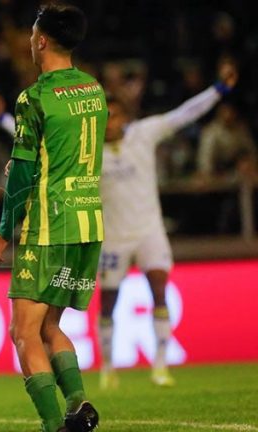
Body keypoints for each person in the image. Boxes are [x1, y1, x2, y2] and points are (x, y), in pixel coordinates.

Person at [0, 4, 106, 432]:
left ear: (41, 40)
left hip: (50, 224)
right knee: (49, 325)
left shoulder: (34, 97)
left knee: (23, 332)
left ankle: (53, 425)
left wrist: (4, 230)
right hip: (88, 221)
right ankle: (77, 403)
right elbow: (62, 153)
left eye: (32, 34)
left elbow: (21, 171)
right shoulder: (93, 89)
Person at [98, 62, 238, 389]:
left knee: (160, 291)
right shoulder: (88, 152)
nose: (109, 123)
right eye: (104, 118)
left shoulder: (144, 133)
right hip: (113, 238)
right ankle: (107, 367)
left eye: (114, 116)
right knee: (108, 303)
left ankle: (160, 366)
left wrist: (218, 90)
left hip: (149, 231)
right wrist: (5, 120)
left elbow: (185, 114)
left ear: (124, 117)